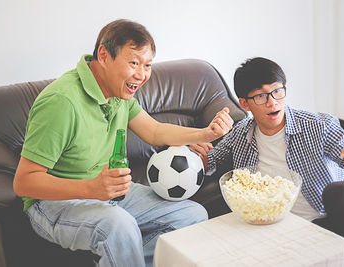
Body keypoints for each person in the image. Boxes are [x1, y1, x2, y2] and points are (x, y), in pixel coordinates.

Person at [13, 19, 233, 267]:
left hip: (107, 193)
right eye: (133, 63)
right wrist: (91, 189)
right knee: (119, 225)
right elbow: (24, 182)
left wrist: (204, 134)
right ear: (104, 56)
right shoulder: (61, 103)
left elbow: (155, 131)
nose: (142, 74)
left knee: (191, 216)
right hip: (54, 203)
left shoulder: (120, 93)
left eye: (147, 65)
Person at [190, 57, 344, 237]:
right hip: (268, 223)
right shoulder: (240, 133)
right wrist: (200, 155)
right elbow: (212, 161)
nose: (272, 102)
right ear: (245, 103)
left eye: (277, 91)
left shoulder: (319, 126)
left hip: (325, 219)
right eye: (261, 96)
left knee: (339, 191)